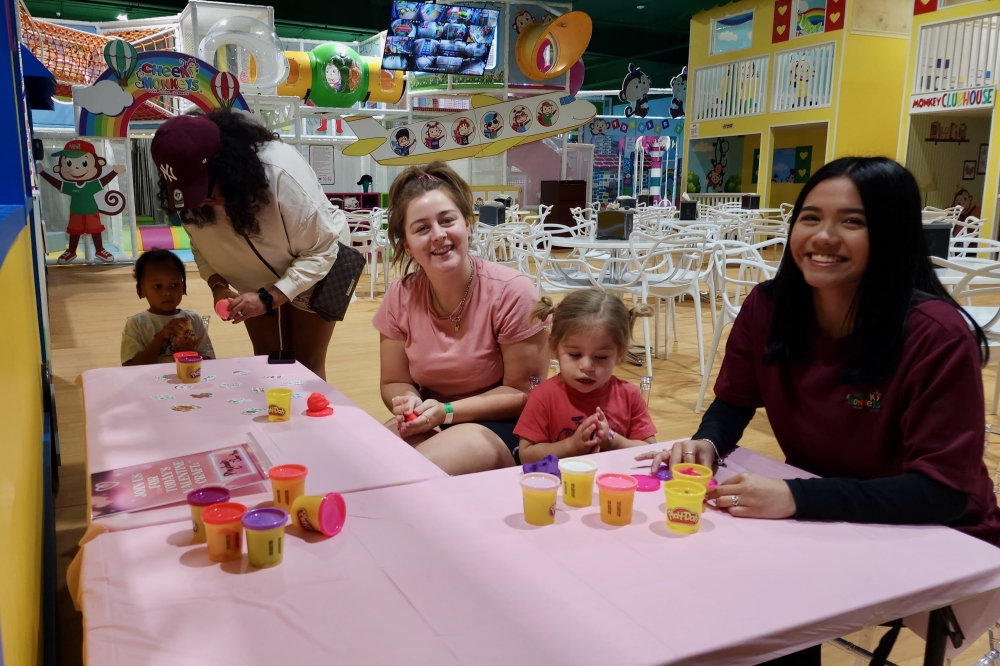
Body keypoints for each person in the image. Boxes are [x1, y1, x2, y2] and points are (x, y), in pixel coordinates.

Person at [638, 157, 1000, 665]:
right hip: (822, 515)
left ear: (891, 235)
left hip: (934, 535)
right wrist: (711, 442)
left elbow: (940, 492)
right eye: (810, 217)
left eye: (853, 222)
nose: (823, 236)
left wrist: (795, 497)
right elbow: (735, 400)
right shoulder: (769, 307)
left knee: (761, 597)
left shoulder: (935, 335)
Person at [373, 161, 549, 475]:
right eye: (422, 228)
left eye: (447, 220)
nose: (438, 235)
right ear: (408, 246)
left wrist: (448, 412)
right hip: (433, 417)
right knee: (369, 463)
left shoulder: (512, 291)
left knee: (407, 472)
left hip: (506, 426)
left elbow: (528, 391)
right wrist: (409, 403)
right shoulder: (400, 295)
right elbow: (394, 380)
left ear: (468, 224)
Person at [150, 110, 349, 380]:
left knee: (306, 365)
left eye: (202, 190)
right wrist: (217, 285)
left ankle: (313, 420)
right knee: (269, 360)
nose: (196, 203)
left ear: (226, 166)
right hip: (257, 274)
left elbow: (322, 249)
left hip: (326, 260)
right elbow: (200, 245)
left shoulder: (279, 171)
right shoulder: (189, 197)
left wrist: (270, 298)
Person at [516, 290, 657, 463]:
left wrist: (612, 439)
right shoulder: (542, 397)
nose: (586, 367)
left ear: (620, 352)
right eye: (575, 354)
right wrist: (570, 446)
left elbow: (650, 450)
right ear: (554, 347)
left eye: (601, 357)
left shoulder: (630, 396)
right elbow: (527, 455)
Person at [121, 249, 214, 366]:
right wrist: (160, 337)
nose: (167, 292)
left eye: (174, 284)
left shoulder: (194, 319)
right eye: (157, 286)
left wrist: (189, 354)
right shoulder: (136, 324)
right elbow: (129, 368)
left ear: (184, 287)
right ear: (141, 290)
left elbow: (211, 364)